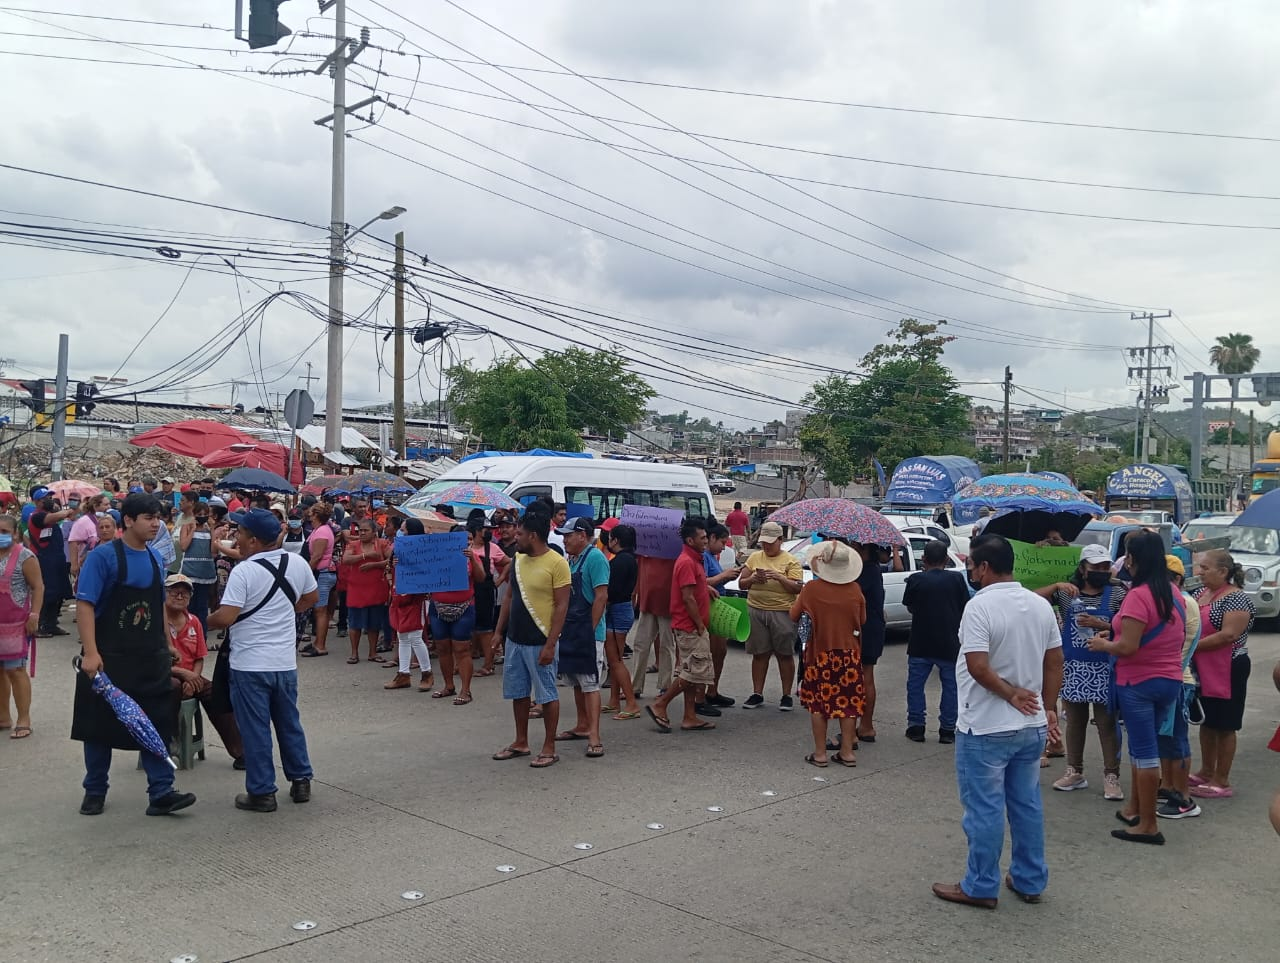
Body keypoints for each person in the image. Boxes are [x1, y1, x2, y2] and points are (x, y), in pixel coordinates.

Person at [933, 535, 1062, 909]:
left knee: (984, 809)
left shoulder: (980, 606)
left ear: (984, 567)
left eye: (972, 565)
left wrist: (1010, 694)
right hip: (1031, 725)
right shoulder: (1039, 605)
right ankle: (1029, 879)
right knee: (1026, 805)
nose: (970, 571)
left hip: (986, 726)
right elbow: (1055, 661)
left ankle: (980, 885)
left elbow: (977, 666)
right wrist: (1048, 707)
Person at [72, 493, 197, 817]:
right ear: (128, 521)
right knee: (98, 726)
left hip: (148, 657)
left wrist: (165, 641)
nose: (156, 523)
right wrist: (91, 652)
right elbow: (85, 605)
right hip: (108, 657)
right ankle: (95, 790)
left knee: (156, 723)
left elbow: (158, 604)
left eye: (158, 517)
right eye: (148, 517)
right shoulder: (103, 558)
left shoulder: (156, 559)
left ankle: (161, 792)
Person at [208, 508, 318, 813]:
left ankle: (262, 792)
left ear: (253, 540)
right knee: (289, 722)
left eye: (240, 533)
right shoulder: (297, 563)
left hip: (250, 665)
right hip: (284, 663)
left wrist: (202, 621)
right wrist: (282, 614)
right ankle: (301, 780)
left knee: (255, 729)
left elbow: (227, 617)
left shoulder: (243, 571)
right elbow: (311, 599)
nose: (236, 537)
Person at [1086, 529, 1186, 845]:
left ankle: (1148, 825)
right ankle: (1134, 808)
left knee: (1144, 754)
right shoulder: (1174, 593)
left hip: (1138, 682)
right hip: (1168, 680)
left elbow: (1128, 647)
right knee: (1148, 747)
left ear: (1132, 559)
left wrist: (1103, 646)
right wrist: (1114, 638)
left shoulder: (1138, 596)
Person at [1046, 544, 1126, 800]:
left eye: (1105, 566)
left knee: (1106, 724)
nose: (1102, 571)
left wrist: (1101, 624)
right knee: (1075, 722)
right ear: (1083, 568)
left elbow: (1129, 626)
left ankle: (1111, 776)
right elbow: (1032, 598)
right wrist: (1056, 586)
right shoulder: (1068, 594)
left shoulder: (1118, 593)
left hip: (1105, 667)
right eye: (1096, 567)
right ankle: (1074, 771)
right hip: (1073, 667)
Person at [491, 511, 570, 769]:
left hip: (540, 640)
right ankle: (521, 741)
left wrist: (551, 644)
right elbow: (510, 598)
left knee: (546, 695)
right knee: (518, 692)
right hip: (515, 639)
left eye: (520, 533)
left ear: (533, 536)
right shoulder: (517, 559)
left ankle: (549, 747)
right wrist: (498, 632)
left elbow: (561, 606)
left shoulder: (557, 563)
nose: (516, 536)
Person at [791, 539, 865, 767]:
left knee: (818, 705)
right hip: (849, 655)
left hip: (820, 655)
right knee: (849, 704)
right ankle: (847, 753)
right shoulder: (855, 590)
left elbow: (794, 616)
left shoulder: (811, 590)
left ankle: (821, 754)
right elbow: (862, 620)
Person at [1189, 548, 1256, 800]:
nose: (1200, 573)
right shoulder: (1200, 594)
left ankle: (1222, 779)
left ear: (1223, 571)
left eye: (1205, 568)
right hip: (1203, 668)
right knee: (1208, 720)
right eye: (1200, 568)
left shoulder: (1236, 598)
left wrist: (1189, 646)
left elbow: (1228, 635)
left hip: (1229, 667)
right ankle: (1206, 771)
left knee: (1226, 724)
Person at [162, 573, 244, 766]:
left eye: (184, 593)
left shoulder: (195, 621)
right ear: (164, 594)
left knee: (215, 692)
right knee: (172, 685)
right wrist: (184, 674)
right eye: (174, 592)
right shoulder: (156, 622)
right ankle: (169, 738)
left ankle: (240, 750)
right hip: (164, 675)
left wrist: (194, 678)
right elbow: (152, 660)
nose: (179, 596)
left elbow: (199, 657)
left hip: (191, 675)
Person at [646, 518, 717, 733]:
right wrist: (699, 625)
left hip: (691, 625)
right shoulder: (687, 561)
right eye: (702, 537)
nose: (706, 540)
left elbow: (694, 589)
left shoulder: (694, 559)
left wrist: (705, 588)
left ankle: (690, 716)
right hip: (690, 626)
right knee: (694, 671)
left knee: (693, 671)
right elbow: (687, 597)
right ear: (690, 539)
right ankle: (661, 703)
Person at [553, 517, 611, 756]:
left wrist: (590, 629)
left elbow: (601, 596)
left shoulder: (595, 558)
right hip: (571, 628)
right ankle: (582, 724)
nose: (564, 540)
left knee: (590, 684)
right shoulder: (572, 559)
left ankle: (595, 736)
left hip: (588, 631)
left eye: (568, 535)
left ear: (582, 535)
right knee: (576, 681)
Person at [902, 539, 969, 744]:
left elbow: (910, 606)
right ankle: (947, 729)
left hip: (920, 640)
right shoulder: (957, 579)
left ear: (923, 559)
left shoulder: (915, 580)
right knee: (951, 686)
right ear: (947, 559)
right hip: (949, 641)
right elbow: (964, 605)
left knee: (915, 685)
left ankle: (916, 726)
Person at [1156, 555, 1203, 820]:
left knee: (1176, 740)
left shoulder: (1183, 602)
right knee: (1166, 739)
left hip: (1178, 679)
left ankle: (1183, 796)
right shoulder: (1174, 600)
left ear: (1176, 579)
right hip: (1171, 677)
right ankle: (1168, 786)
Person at [740, 521, 803, 711]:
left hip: (782, 611)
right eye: (763, 543)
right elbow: (742, 582)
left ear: (780, 540)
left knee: (784, 654)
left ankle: (786, 695)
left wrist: (780, 577)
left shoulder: (791, 560)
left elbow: (798, 587)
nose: (766, 547)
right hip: (757, 610)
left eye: (770, 543)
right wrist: (752, 579)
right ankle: (757, 692)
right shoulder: (754, 558)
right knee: (760, 654)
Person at [427, 526, 485, 705]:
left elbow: (481, 578)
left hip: (464, 607)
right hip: (438, 607)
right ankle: (448, 686)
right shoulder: (438, 556)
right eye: (462, 538)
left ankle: (465, 690)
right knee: (443, 648)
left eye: (469, 538)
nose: (466, 542)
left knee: (461, 649)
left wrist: (472, 560)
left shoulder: (472, 556)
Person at [0, 514, 42, 741]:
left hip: (16, 624)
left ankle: (23, 719)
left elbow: (38, 587)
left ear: (16, 533)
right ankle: (3, 717)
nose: (0, 536)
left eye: (5, 532)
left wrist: (34, 615)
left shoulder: (25, 556)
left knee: (15, 671)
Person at [386, 519, 434, 692]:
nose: (401, 533)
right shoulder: (400, 550)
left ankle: (427, 673)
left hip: (416, 598)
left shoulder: (424, 550)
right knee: (403, 636)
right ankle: (403, 674)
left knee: (415, 636)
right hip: (401, 596)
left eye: (404, 530)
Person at [853, 542, 891, 742]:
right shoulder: (867, 569)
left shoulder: (869, 571)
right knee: (861, 674)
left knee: (865, 675)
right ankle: (862, 724)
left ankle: (866, 725)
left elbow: (852, 592)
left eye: (858, 549)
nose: (854, 551)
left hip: (868, 629)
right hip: (868, 626)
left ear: (869, 552)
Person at [700, 523, 741, 714]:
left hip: (718, 607)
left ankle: (712, 691)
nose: (724, 547)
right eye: (722, 542)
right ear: (712, 538)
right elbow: (701, 582)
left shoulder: (712, 557)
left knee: (720, 652)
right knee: (709, 653)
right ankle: (701, 696)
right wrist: (724, 575)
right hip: (710, 609)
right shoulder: (702, 557)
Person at [603, 523, 642, 720]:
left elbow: (610, 593)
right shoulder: (629, 559)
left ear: (616, 540)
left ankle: (631, 703)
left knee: (615, 660)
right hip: (622, 609)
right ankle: (614, 700)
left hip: (617, 611)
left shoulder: (619, 562)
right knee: (614, 660)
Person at [341, 518, 391, 665]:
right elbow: (346, 559)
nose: (361, 533)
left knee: (374, 623)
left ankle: (372, 652)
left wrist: (375, 565)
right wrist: (366, 556)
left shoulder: (382, 544)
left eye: (365, 530)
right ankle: (354, 653)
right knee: (354, 623)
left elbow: (392, 559)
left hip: (376, 589)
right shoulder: (353, 544)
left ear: (374, 532)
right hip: (356, 589)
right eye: (360, 530)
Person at [627, 553, 677, 698]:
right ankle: (635, 686)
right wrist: (635, 592)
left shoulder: (673, 549)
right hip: (647, 601)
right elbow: (639, 571)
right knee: (640, 644)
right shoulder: (645, 549)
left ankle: (665, 686)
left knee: (666, 645)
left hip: (666, 603)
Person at [27, 492, 73, 637]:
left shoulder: (49, 517)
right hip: (45, 558)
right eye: (45, 498)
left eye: (50, 497)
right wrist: (67, 510)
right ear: (37, 501)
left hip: (57, 558)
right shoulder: (37, 516)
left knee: (59, 592)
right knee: (47, 593)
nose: (49, 500)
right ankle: (40, 625)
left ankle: (52, 624)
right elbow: (57, 516)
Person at [469, 516, 508, 677]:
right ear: (478, 531)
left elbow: (509, 562)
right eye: (487, 530)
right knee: (469, 629)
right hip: (469, 591)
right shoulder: (467, 545)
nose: (490, 532)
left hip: (485, 592)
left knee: (485, 630)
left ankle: (488, 665)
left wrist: (499, 580)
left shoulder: (492, 548)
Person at [300, 502, 337, 657]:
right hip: (321, 572)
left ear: (315, 514)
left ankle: (320, 645)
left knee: (320, 610)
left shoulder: (322, 532)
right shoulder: (319, 530)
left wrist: (305, 574)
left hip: (322, 573)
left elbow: (316, 557)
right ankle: (317, 642)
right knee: (320, 610)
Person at [178, 499, 217, 630]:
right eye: (198, 514)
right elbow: (183, 546)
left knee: (202, 606)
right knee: (189, 605)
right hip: (190, 572)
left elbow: (213, 551)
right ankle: (188, 633)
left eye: (204, 514)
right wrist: (192, 530)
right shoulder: (187, 526)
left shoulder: (209, 530)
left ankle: (202, 636)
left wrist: (212, 530)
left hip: (205, 573)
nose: (202, 517)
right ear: (194, 515)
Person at [68, 493, 108, 585]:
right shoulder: (83, 522)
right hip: (87, 564)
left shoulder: (106, 519)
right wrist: (74, 565)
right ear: (95, 506)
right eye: (105, 504)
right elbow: (73, 542)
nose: (108, 507)